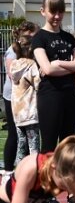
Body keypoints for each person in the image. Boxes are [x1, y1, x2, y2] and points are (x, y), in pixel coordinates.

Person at [31, 0, 75, 203]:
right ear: (43, 11)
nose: (56, 16)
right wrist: (70, 65)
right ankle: (48, 194)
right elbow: (47, 69)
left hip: (71, 96)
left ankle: (72, 193)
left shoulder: (69, 38)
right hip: (50, 97)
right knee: (49, 147)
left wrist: (61, 63)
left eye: (60, 11)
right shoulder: (39, 38)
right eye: (52, 11)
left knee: (70, 147)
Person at [3, 22, 37, 171]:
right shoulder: (14, 50)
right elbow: (13, 74)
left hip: (24, 99)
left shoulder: (31, 50)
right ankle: (10, 169)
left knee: (23, 138)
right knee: (16, 135)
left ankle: (22, 169)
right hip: (15, 98)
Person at [10, 34, 41, 166]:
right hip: (30, 109)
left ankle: (19, 172)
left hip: (17, 111)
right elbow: (38, 84)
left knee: (21, 145)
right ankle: (34, 174)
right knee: (34, 145)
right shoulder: (31, 64)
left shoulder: (14, 64)